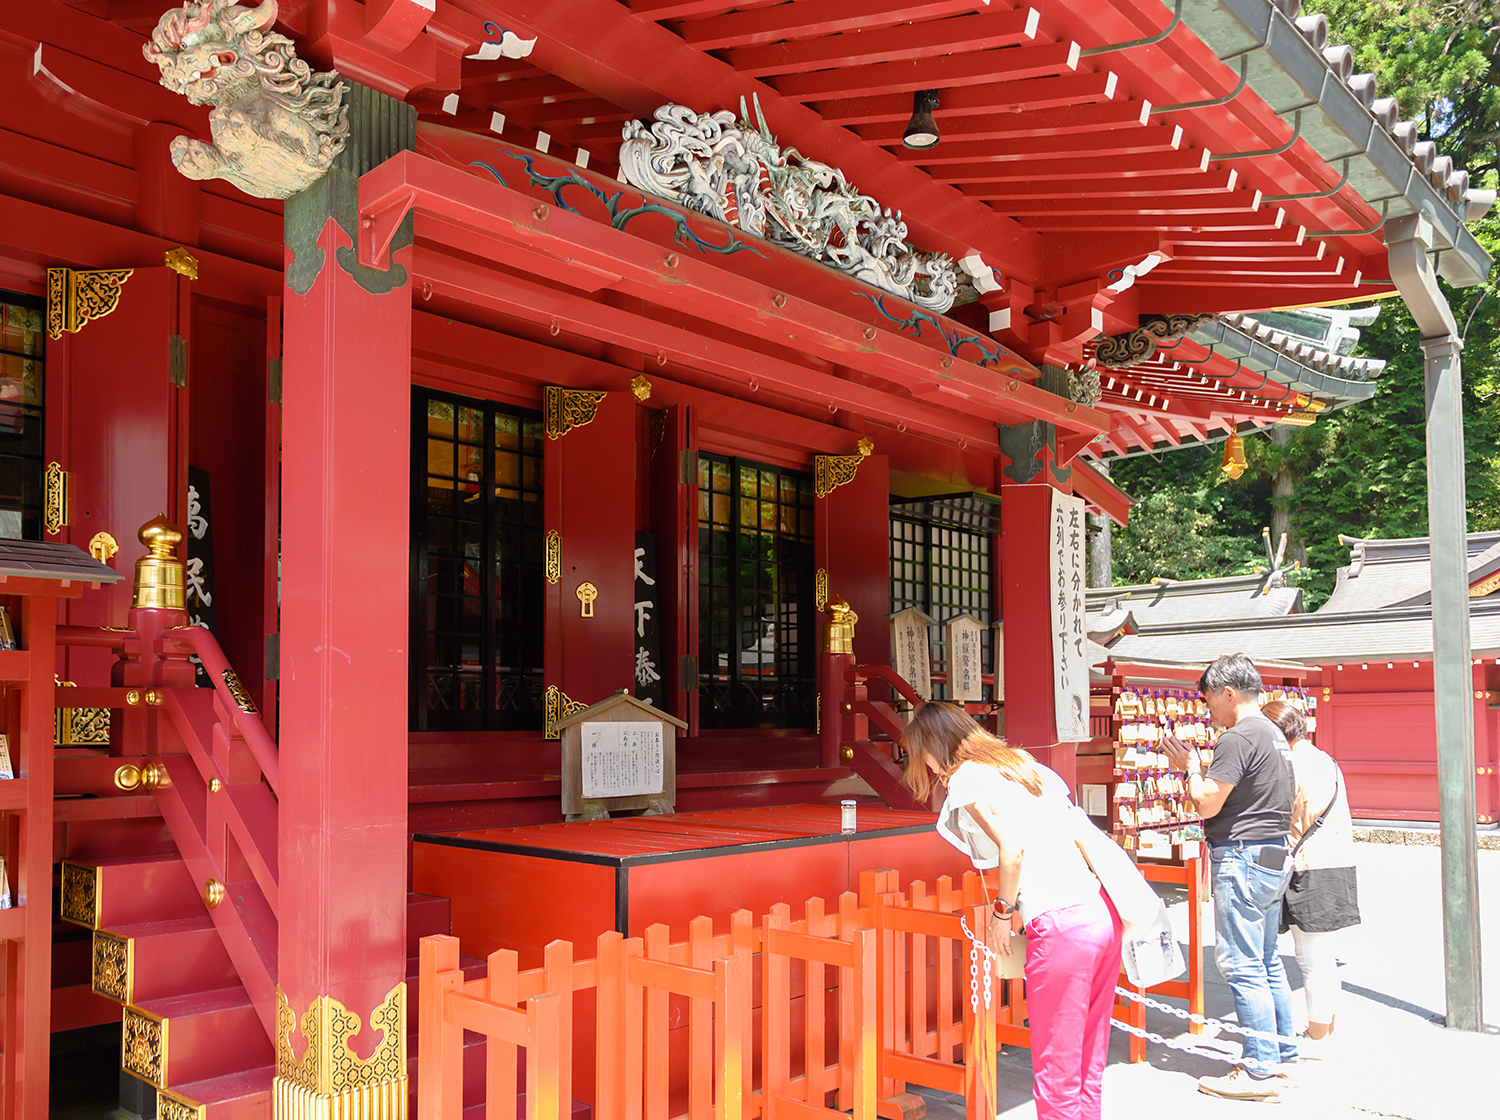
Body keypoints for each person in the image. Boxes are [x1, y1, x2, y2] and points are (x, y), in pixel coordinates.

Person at [902, 703, 1122, 1120]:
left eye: (920, 753)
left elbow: (1012, 848)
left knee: (1056, 1065)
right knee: (1086, 1061)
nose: (924, 765)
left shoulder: (966, 779)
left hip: (1060, 922)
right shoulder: (1021, 763)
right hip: (1097, 908)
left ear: (933, 745)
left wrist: (1002, 912)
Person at [1163, 653, 1298, 1100]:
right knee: (1266, 959)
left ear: (1229, 692)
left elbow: (1206, 804)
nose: (1208, 711)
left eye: (1209, 701)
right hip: (1273, 851)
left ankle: (1259, 1068)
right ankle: (1282, 1052)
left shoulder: (1238, 737)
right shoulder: (1275, 734)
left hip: (1242, 853)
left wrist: (1191, 768)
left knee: (1242, 963)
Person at [1261, 699, 1360, 1051]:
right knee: (1324, 957)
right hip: (1338, 862)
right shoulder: (1326, 760)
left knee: (1311, 960)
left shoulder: (1290, 765)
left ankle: (1317, 1037)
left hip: (1308, 867)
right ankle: (1326, 1027)